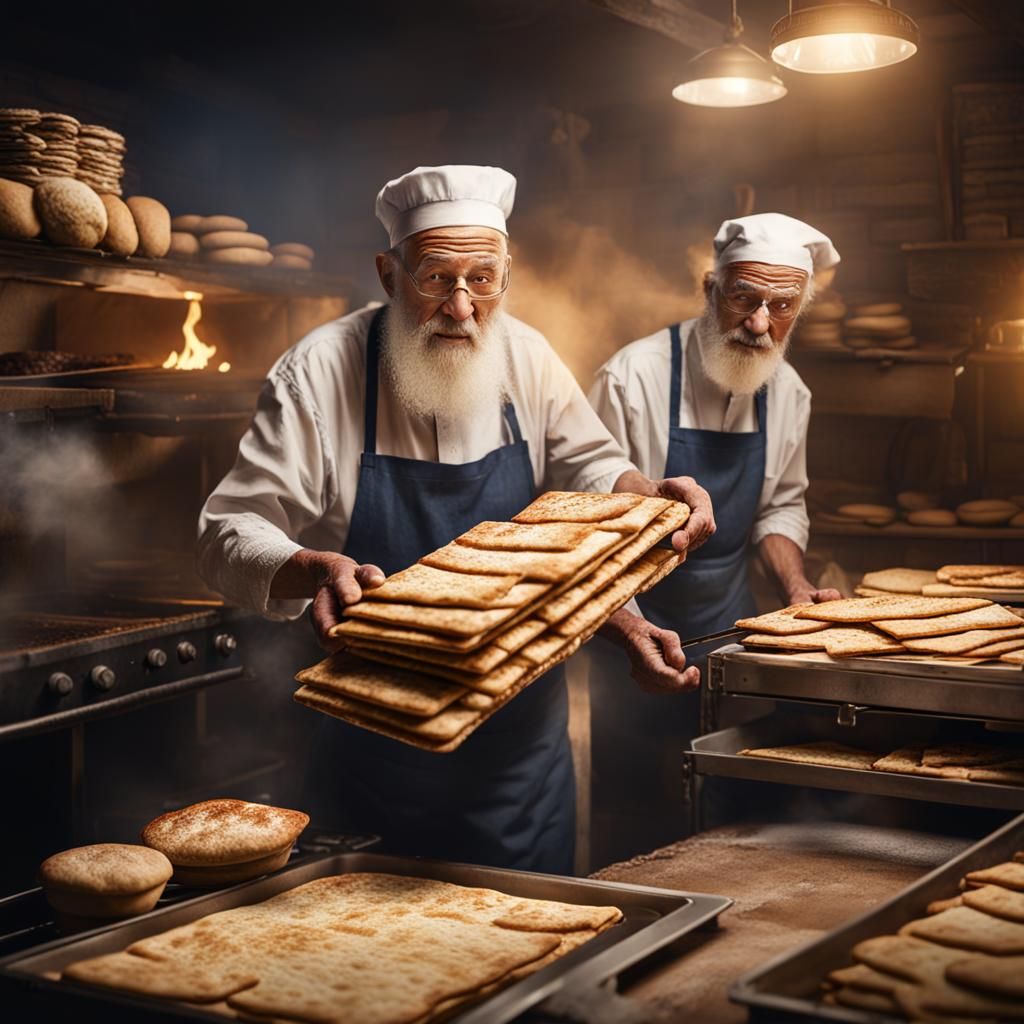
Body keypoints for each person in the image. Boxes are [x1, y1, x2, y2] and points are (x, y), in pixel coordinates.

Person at [197, 165, 715, 874]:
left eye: (484, 278)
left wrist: (645, 499)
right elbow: (229, 529)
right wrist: (311, 565)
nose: (463, 307)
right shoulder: (318, 372)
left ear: (508, 274)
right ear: (389, 272)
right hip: (375, 759)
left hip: (519, 770)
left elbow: (591, 470)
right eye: (437, 278)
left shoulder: (526, 356)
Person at [584, 213, 841, 859]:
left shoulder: (789, 392)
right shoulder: (632, 378)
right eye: (744, 299)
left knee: (724, 817)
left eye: (781, 306)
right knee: (636, 817)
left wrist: (795, 584)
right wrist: (632, 633)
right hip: (629, 630)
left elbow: (781, 505)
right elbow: (588, 529)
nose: (759, 324)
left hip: (727, 637)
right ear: (710, 288)